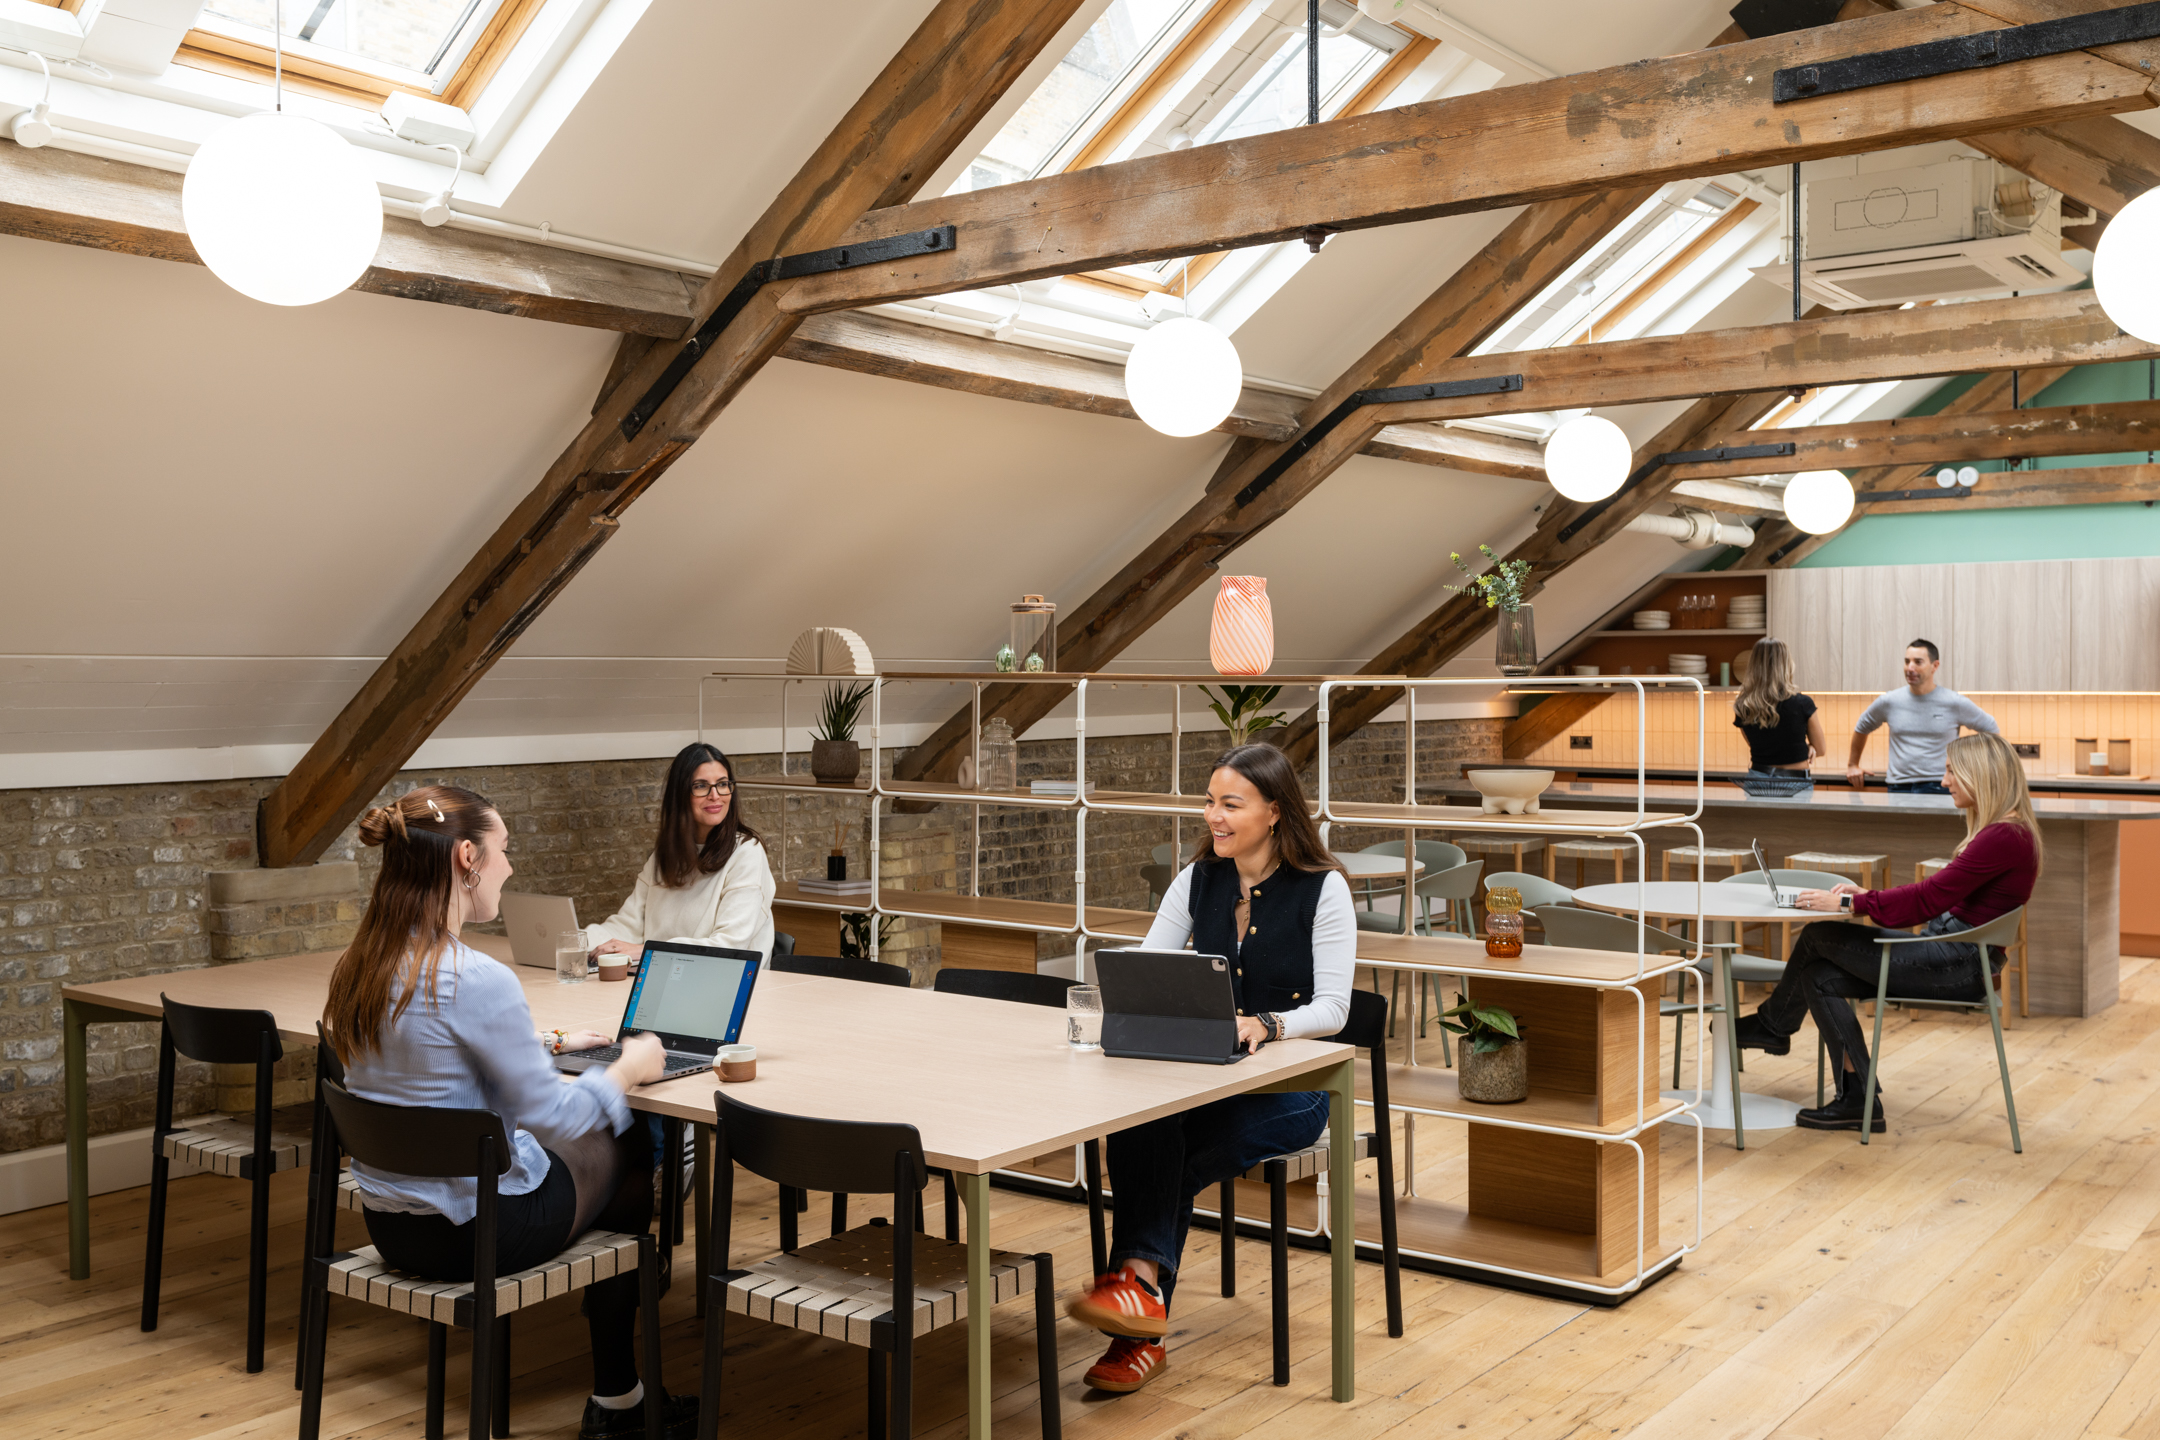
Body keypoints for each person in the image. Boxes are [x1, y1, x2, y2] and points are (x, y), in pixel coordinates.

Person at [325, 786, 692, 1440]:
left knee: (589, 1135)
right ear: (467, 857)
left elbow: (431, 1057)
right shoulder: (477, 977)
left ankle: (627, 1383)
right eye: (503, 850)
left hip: (392, 1227)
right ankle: (621, 1399)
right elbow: (555, 1119)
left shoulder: (362, 964)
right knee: (625, 1138)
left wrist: (545, 1045)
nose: (510, 867)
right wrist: (629, 1067)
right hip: (476, 1234)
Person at [1064, 743, 1354, 1396]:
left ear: (1274, 812)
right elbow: (1147, 966)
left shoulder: (1322, 888)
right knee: (1145, 1118)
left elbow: (1334, 1008)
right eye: (1209, 801)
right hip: (1209, 1075)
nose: (1213, 817)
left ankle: (1135, 1303)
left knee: (1167, 1149)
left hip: (1297, 1087)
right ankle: (1139, 1305)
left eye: (1231, 804)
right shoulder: (1199, 878)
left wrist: (1270, 1023)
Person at [1735, 733, 2039, 1131]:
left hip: (1959, 965)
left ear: (1979, 774)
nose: (1945, 781)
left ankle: (1774, 1026)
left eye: (1951, 772)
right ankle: (1858, 1099)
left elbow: (1927, 899)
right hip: (1956, 956)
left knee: (1819, 936)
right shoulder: (2007, 832)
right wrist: (1867, 895)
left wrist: (1849, 904)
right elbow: (1932, 898)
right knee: (1817, 975)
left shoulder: (2003, 836)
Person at [588, 742, 775, 970]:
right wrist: (576, 942)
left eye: (723, 784)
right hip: (663, 978)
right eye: (701, 786)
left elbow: (728, 947)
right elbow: (626, 926)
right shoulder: (664, 856)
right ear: (680, 794)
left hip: (725, 987)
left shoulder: (747, 852)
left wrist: (645, 950)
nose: (715, 795)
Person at [1845, 638, 1998, 794]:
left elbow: (1991, 728)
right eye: (1907, 662)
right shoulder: (1889, 701)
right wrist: (1852, 765)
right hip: (1899, 786)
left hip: (1941, 785)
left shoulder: (1954, 702)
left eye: (1918, 662)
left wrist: (1978, 767)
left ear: (1935, 666)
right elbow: (1862, 726)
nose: (1910, 668)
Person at [1733, 636, 1826, 776]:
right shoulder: (1802, 703)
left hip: (1759, 779)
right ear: (1787, 664)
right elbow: (1821, 749)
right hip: (1795, 781)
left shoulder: (1744, 705)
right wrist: (1809, 747)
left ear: (1753, 665)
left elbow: (1762, 747)